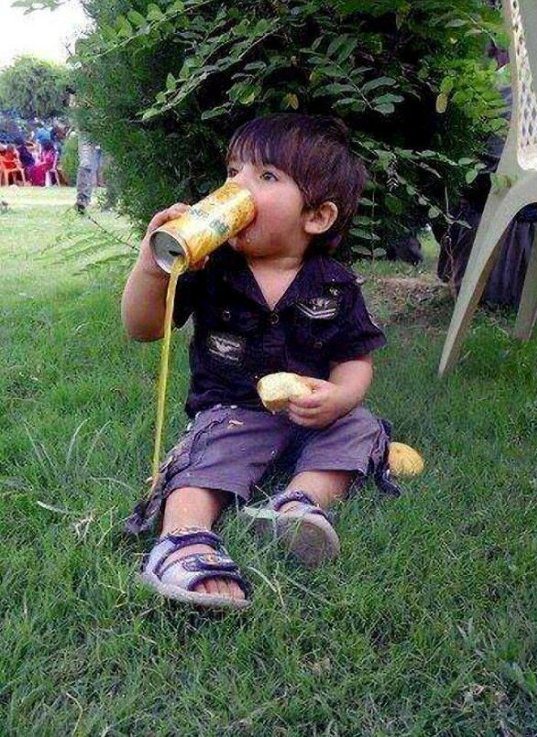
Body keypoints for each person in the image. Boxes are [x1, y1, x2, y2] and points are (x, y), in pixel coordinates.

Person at [122, 114, 391, 610]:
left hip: (309, 415)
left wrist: (339, 397)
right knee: (206, 456)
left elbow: (355, 359)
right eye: (232, 172)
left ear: (316, 217)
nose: (237, 187)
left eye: (265, 176)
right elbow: (143, 327)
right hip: (233, 412)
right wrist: (154, 267)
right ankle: (183, 539)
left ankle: (300, 505)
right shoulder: (210, 268)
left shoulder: (336, 284)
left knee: (361, 426)